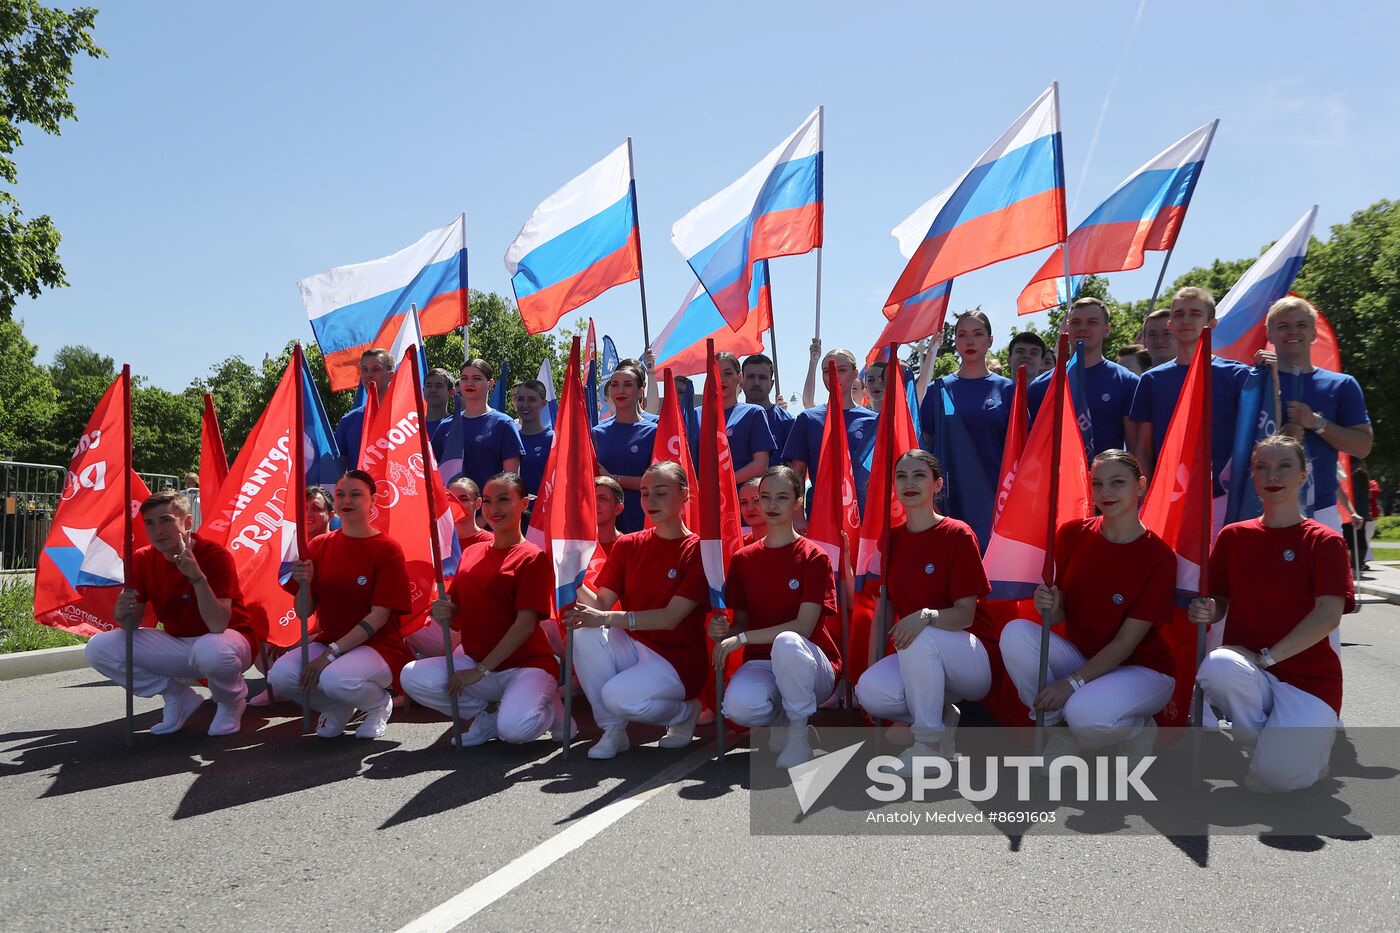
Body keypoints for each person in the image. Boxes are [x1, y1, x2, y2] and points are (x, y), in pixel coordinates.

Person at [1192, 435, 1352, 792]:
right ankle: (1266, 746)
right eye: (1261, 467)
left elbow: (1328, 616)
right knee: (1218, 665)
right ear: (1252, 476)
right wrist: (1207, 609)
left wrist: (1266, 658)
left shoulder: (1324, 541)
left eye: (1284, 466)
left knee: (1272, 781)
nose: (1272, 475)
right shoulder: (1233, 536)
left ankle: (1304, 752)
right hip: (1251, 675)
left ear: (1303, 475)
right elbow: (1220, 602)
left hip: (1309, 683)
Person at [999, 450, 1177, 762]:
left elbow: (1125, 643)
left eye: (1117, 483)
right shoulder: (1071, 535)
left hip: (1142, 669)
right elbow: (1059, 616)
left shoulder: (1159, 557)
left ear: (1140, 485)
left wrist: (1071, 683)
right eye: (1097, 484)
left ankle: (1138, 727)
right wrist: (1049, 606)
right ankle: (1060, 734)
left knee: (1085, 714)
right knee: (1015, 633)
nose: (1105, 493)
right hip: (1085, 658)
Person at [400, 473, 567, 746]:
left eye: (504, 500)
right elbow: (457, 613)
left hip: (525, 665)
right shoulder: (472, 553)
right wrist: (444, 610)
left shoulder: (533, 557)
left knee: (514, 732)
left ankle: (552, 710)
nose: (493, 509)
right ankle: (488, 715)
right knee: (413, 676)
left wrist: (481, 672)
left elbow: (525, 624)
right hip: (478, 662)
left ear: (524, 504)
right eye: (488, 501)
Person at [564, 462, 709, 759]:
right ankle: (614, 731)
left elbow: (670, 618)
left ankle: (684, 712)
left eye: (660, 493)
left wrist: (606, 618)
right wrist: (571, 577)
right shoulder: (628, 545)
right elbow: (601, 603)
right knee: (583, 631)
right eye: (644, 493)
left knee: (616, 696)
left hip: (678, 658)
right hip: (635, 644)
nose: (650, 502)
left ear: (684, 496)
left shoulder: (697, 550)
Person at [854, 450, 991, 766]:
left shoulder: (958, 533)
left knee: (920, 634)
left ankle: (927, 747)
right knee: (870, 692)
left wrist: (926, 616)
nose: (909, 483)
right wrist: (871, 666)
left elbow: (965, 615)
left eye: (919, 476)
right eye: (901, 476)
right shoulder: (891, 540)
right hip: (917, 650)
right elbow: (884, 612)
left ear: (937, 484)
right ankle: (940, 717)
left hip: (969, 660)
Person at [85, 491, 258, 737]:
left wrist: (197, 578)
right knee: (98, 647)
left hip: (229, 641)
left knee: (210, 648)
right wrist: (122, 614)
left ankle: (231, 701)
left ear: (187, 523)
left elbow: (218, 624)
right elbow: (132, 624)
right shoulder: (142, 559)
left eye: (166, 520)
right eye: (150, 523)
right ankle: (177, 695)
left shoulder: (214, 555)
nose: (158, 530)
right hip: (180, 643)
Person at [710, 466, 840, 768]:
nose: (770, 505)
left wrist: (741, 638)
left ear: (797, 502)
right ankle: (784, 718)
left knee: (788, 642)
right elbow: (741, 622)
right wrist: (726, 630)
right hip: (761, 661)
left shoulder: (814, 556)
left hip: (811, 664)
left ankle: (798, 734)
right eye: (764, 497)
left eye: (782, 497)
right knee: (739, 709)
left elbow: (803, 627)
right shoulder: (743, 559)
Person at [269, 470, 412, 739]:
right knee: (281, 677)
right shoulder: (319, 545)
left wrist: (330, 654)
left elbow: (379, 616)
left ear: (373, 500)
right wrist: (305, 584)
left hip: (378, 646)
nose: (347, 500)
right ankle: (339, 706)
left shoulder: (387, 548)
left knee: (334, 678)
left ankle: (378, 703)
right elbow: (303, 611)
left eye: (356, 494)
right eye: (340, 494)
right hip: (329, 641)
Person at [1129, 287, 1249, 537]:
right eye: (1179, 314)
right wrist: (1142, 499)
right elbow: (1142, 448)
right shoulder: (1151, 380)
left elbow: (1253, 440)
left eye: (1195, 314)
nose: (1186, 320)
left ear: (1212, 323)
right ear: (1171, 324)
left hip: (1224, 499)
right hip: (1170, 498)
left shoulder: (1238, 375)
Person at [1256, 295, 1372, 533]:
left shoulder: (1342, 385)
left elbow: (1362, 446)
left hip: (1321, 509)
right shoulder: (1252, 381)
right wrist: (1278, 438)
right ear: (1269, 334)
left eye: (1301, 325)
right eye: (1283, 326)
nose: (1292, 332)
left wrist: (1316, 422)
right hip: (1261, 508)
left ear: (1313, 333)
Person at [919, 311, 1017, 550]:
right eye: (962, 335)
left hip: (997, 501)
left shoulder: (1009, 390)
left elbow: (1020, 451)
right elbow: (925, 451)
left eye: (977, 334)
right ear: (955, 341)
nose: (969, 342)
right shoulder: (937, 390)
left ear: (990, 340)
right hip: (950, 500)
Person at [249, 486, 336, 708]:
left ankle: (329, 696)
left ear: (331, 515)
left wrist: (294, 634)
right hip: (297, 624)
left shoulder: (339, 547)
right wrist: (281, 632)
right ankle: (281, 688)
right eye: (303, 508)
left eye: (315, 508)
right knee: (262, 641)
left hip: (328, 634)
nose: (307, 514)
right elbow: (281, 597)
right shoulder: (290, 551)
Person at [1028, 297, 1140, 455]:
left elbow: (1135, 449)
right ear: (1067, 329)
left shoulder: (1127, 382)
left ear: (1107, 329)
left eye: (1092, 322)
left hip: (1106, 478)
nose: (1082, 328)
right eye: (1076, 322)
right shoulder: (1040, 386)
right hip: (1057, 478)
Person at [782, 348, 878, 515]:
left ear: (855, 373)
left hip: (864, 512)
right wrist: (797, 515)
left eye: (842, 370)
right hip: (821, 512)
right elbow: (797, 471)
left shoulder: (873, 421)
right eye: (827, 371)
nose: (834, 375)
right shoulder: (808, 418)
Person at [433, 358, 525, 492]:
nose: (469, 383)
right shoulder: (445, 426)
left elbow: (511, 484)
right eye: (464, 378)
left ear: (490, 384)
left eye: (476, 378)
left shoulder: (504, 424)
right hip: (451, 511)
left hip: (490, 511)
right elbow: (431, 473)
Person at [591, 360, 659, 533]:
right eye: (615, 385)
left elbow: (656, 482)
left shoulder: (654, 432)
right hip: (605, 526)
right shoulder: (597, 433)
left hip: (641, 519)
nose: (620, 391)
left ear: (640, 391)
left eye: (627, 385)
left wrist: (614, 479)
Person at [691, 351, 776, 487]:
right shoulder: (695, 415)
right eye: (715, 374)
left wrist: (721, 484)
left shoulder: (753, 413)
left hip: (741, 501)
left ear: (740, 378)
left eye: (728, 373)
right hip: (703, 500)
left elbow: (761, 465)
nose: (721, 379)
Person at [335, 348, 394, 471]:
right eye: (364, 370)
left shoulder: (407, 417)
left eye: (376, 369)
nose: (369, 375)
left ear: (391, 376)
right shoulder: (348, 421)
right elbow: (338, 469)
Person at [742, 353, 795, 457]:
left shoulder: (789, 422)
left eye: (762, 377)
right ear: (741, 381)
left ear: (771, 384)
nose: (756, 382)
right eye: (751, 377)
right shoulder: (731, 420)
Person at [511, 379, 555, 499]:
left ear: (543, 403)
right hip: (515, 513)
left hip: (543, 512)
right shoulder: (509, 438)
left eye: (532, 400)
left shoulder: (553, 440)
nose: (525, 405)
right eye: (520, 399)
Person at [446, 477, 492, 550]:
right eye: (452, 499)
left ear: (478, 503)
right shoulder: (439, 542)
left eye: (464, 499)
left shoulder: (490, 542)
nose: (457, 503)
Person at [423, 367, 456, 438]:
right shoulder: (412, 427)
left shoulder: (457, 425)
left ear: (451, 392)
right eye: (429, 386)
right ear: (423, 390)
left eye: (439, 386)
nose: (433, 390)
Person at [738, 477, 769, 544]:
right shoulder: (737, 546)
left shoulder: (793, 545)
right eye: (743, 502)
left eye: (756, 500)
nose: (750, 508)